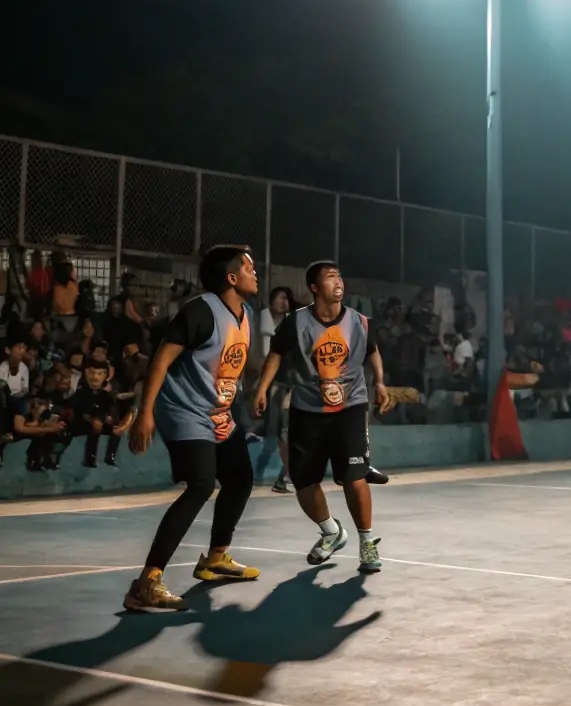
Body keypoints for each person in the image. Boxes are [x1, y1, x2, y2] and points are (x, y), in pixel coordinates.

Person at [123, 246, 261, 614]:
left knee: (240, 477)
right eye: (248, 268)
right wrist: (145, 413)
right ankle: (146, 583)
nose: (255, 273)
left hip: (216, 412)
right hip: (183, 410)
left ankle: (215, 558)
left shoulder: (245, 315)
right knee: (201, 485)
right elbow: (161, 360)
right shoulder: (201, 311)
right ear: (231, 278)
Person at [253, 261, 393, 574]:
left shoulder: (358, 321)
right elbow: (276, 353)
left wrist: (380, 382)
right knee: (303, 480)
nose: (338, 282)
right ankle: (331, 531)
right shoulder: (296, 322)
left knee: (353, 478)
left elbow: (372, 352)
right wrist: (262, 389)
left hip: (350, 406)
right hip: (307, 409)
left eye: (340, 276)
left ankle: (367, 543)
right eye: (330, 278)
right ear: (315, 288)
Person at [258, 286, 296, 494]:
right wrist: (263, 389)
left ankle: (287, 476)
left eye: (287, 299)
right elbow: (269, 358)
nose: (284, 302)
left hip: (292, 385)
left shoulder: (294, 324)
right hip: (281, 384)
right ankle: (287, 476)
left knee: (287, 432)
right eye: (280, 298)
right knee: (284, 431)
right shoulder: (263, 322)